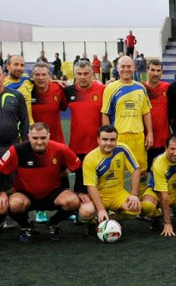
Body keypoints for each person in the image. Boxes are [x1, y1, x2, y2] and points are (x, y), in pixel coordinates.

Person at [0, 123, 87, 243]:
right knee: (14, 204)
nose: (39, 142)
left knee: (73, 201)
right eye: (35, 138)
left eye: (43, 138)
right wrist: (2, 193)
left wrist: (80, 191)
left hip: (53, 193)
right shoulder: (17, 150)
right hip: (25, 194)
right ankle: (25, 226)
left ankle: (53, 223)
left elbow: (79, 168)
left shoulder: (60, 148)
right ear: (28, 136)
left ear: (49, 136)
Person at [82, 125, 157, 229]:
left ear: (117, 140)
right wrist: (100, 209)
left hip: (118, 194)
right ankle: (93, 223)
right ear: (98, 140)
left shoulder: (122, 149)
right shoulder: (90, 158)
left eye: (112, 140)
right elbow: (91, 186)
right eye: (105, 139)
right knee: (85, 212)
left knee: (135, 208)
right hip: (100, 196)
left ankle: (112, 219)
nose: (109, 143)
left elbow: (135, 170)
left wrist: (134, 194)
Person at [101, 55, 154, 174]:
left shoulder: (140, 87)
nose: (126, 69)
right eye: (123, 66)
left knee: (141, 171)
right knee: (117, 171)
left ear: (134, 68)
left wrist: (150, 133)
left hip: (138, 136)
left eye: (129, 66)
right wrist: (108, 136)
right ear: (117, 68)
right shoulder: (111, 88)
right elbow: (105, 113)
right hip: (119, 137)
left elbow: (146, 112)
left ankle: (140, 193)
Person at [64, 59, 105, 196]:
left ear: (92, 74)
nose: (82, 77)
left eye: (86, 73)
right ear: (74, 74)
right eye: (79, 74)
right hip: (77, 145)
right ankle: (79, 211)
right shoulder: (68, 92)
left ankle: (102, 209)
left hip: (98, 145)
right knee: (80, 181)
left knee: (101, 180)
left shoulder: (102, 90)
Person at [29, 62, 68, 144]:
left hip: (56, 141)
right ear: (32, 76)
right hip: (34, 142)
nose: (41, 78)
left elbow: (64, 107)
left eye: (44, 74)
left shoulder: (58, 89)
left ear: (49, 76)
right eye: (37, 75)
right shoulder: (26, 90)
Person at [143, 58, 170, 168]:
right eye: (152, 70)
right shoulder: (141, 88)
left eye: (158, 71)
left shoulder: (167, 88)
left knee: (161, 171)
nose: (155, 73)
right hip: (145, 139)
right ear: (147, 71)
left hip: (163, 139)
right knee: (145, 172)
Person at [3, 54, 35, 124]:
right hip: (11, 129)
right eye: (16, 64)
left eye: (22, 65)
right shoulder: (1, 84)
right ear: (7, 66)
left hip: (29, 129)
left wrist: (57, 81)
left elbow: (42, 81)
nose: (19, 68)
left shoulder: (27, 79)